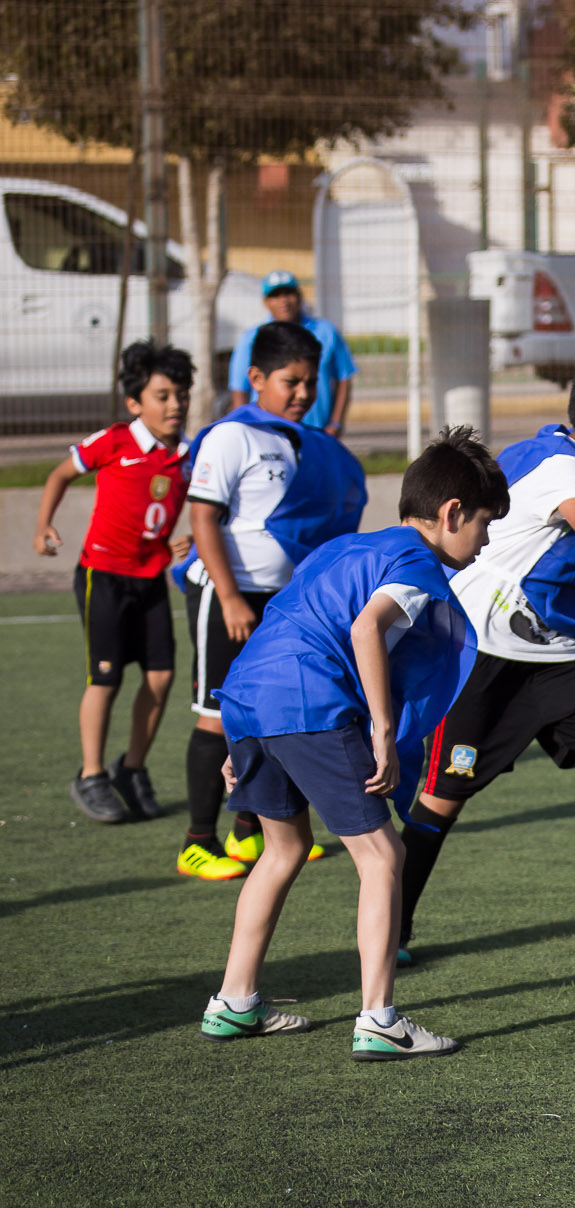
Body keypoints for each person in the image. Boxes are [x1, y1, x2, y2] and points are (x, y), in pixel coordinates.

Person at [199, 429, 506, 1059]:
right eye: (482, 523)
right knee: (381, 855)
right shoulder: (417, 562)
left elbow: (285, 618)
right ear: (450, 514)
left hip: (251, 694)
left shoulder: (346, 546)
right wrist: (383, 729)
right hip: (311, 700)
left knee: (282, 850)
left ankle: (233, 1001)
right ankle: (379, 1019)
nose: (485, 540)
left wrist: (246, 725)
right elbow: (368, 628)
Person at [398, 346, 575, 959]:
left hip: (547, 650)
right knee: (443, 795)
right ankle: (390, 930)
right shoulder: (563, 465)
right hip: (487, 649)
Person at [175, 320, 368, 880]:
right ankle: (197, 841)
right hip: (228, 594)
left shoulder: (305, 441)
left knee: (264, 715)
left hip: (281, 603)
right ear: (256, 377)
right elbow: (204, 518)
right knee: (218, 717)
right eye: (291, 381)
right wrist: (231, 597)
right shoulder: (233, 436)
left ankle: (248, 833)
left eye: (310, 382)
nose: (303, 393)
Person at [33, 341, 194, 825]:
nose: (175, 404)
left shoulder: (189, 453)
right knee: (105, 676)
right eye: (162, 395)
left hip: (150, 579)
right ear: (135, 403)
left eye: (181, 394)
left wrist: (181, 543)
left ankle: (131, 768)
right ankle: (90, 774)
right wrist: (43, 525)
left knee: (162, 676)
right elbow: (59, 475)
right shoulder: (115, 441)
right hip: (102, 575)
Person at [228, 271, 356, 437]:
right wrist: (245, 430)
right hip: (269, 433)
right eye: (276, 295)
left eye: (289, 293)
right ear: (266, 302)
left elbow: (344, 378)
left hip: (317, 432)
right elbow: (239, 389)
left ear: (299, 296)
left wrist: (336, 423)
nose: (284, 301)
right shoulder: (253, 338)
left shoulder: (325, 331)